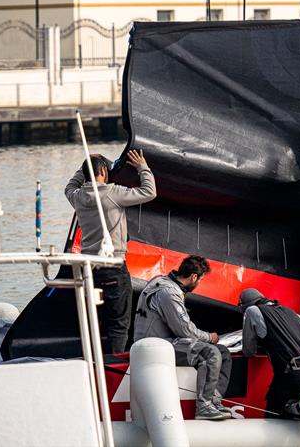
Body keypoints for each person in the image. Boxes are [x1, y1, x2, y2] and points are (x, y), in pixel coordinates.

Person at [65, 149, 156, 354]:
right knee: (119, 323)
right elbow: (149, 192)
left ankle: (94, 359)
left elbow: (69, 186)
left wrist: (85, 168)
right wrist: (142, 166)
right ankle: (114, 364)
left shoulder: (78, 197)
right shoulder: (113, 193)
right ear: (104, 172)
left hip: (89, 269)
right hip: (113, 266)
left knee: (93, 321)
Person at [133, 255, 233, 421]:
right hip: (155, 347)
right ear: (194, 277)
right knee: (211, 352)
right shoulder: (168, 292)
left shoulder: (163, 282)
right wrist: (210, 337)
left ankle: (214, 401)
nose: (199, 284)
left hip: (160, 342)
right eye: (200, 279)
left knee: (223, 353)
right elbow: (185, 331)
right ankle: (204, 407)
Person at [239, 288, 300, 437]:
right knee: (294, 417)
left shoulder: (253, 311)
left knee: (274, 412)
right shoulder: (293, 313)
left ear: (244, 305)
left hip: (291, 373)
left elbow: (249, 350)